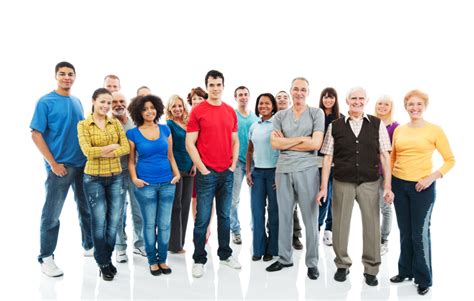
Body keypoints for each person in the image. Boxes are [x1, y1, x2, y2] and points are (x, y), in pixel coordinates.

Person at [316, 86, 394, 286]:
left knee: (371, 225)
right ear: (347, 100)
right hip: (342, 181)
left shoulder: (377, 125)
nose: (357, 102)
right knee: (340, 226)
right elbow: (327, 158)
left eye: (361, 98)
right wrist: (324, 187)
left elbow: (385, 156)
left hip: (369, 182)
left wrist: (387, 186)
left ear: (366, 100)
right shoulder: (336, 125)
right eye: (353, 98)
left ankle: (371, 268)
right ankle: (342, 265)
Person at [30, 61, 94, 277]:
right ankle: (46, 257)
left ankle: (89, 246)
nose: (67, 77)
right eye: (62, 74)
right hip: (61, 168)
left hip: (82, 164)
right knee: (52, 214)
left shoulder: (77, 102)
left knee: (86, 208)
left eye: (70, 74)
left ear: (75, 77)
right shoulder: (45, 101)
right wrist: (53, 164)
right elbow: (36, 134)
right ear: (56, 76)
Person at [389, 90, 455, 296]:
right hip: (400, 185)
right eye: (411, 104)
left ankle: (424, 278)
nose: (414, 108)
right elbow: (392, 158)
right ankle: (405, 271)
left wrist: (430, 178)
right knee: (405, 232)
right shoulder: (399, 130)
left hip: (422, 189)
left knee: (419, 234)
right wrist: (389, 185)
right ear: (405, 106)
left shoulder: (434, 130)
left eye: (418, 104)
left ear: (424, 106)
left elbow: (450, 160)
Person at [266, 77, 324, 281]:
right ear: (290, 91)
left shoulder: (316, 113)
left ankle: (312, 262)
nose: (299, 93)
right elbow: (274, 143)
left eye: (303, 89)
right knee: (284, 216)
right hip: (283, 170)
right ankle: (284, 258)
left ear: (308, 92)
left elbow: (316, 144)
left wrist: (286, 142)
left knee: (310, 218)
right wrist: (302, 139)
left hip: (308, 170)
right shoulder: (281, 115)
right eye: (296, 89)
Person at [186, 70, 241, 278]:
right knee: (202, 218)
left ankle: (225, 255)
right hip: (206, 174)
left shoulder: (229, 111)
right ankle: (199, 259)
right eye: (211, 85)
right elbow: (190, 143)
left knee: (225, 216)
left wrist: (233, 165)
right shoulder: (198, 111)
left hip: (227, 173)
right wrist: (202, 169)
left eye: (219, 84)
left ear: (223, 86)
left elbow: (235, 141)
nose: (215, 88)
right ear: (206, 86)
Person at [77, 88, 130, 281]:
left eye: (109, 103)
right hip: (93, 179)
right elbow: (87, 152)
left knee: (114, 221)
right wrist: (111, 147)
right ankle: (104, 262)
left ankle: (104, 259)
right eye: (103, 102)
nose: (106, 106)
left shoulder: (115, 123)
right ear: (93, 101)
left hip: (116, 176)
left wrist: (105, 150)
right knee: (99, 222)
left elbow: (125, 148)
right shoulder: (83, 125)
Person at [127, 94, 181, 276]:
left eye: (152, 108)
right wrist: (135, 179)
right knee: (149, 224)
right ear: (138, 112)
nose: (149, 111)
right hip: (146, 184)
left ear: (157, 109)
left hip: (167, 183)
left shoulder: (165, 130)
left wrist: (177, 174)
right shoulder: (133, 133)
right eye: (144, 109)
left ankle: (163, 260)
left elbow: (170, 156)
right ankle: (152, 261)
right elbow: (132, 161)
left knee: (164, 224)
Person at [110, 92, 146, 263]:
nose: (118, 104)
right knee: (117, 212)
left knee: (138, 209)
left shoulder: (134, 121)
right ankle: (120, 247)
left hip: (135, 172)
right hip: (115, 173)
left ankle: (139, 244)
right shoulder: (107, 124)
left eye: (121, 101)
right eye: (114, 101)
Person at [246, 93, 279, 262]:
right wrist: (247, 171)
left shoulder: (277, 124)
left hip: (274, 173)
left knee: (274, 212)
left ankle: (272, 249)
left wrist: (280, 176)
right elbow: (250, 150)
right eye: (260, 103)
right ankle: (258, 248)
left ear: (273, 106)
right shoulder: (254, 126)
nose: (263, 106)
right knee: (257, 212)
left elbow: (283, 151)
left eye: (267, 103)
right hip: (257, 173)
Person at [166, 95, 195, 254]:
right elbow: (168, 150)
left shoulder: (188, 124)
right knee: (176, 206)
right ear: (169, 109)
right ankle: (173, 245)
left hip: (189, 168)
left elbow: (193, 146)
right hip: (175, 169)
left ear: (184, 107)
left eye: (180, 106)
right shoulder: (169, 125)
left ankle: (180, 244)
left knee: (185, 205)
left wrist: (195, 165)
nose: (177, 109)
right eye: (174, 106)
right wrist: (173, 169)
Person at [230, 86, 259, 245]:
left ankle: (256, 229)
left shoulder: (255, 117)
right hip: (236, 162)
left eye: (245, 94)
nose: (243, 97)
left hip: (254, 163)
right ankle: (235, 230)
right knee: (234, 200)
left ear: (249, 97)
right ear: (235, 97)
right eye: (240, 95)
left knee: (255, 199)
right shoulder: (232, 115)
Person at [317, 87, 344, 247]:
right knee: (323, 197)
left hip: (337, 164)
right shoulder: (316, 115)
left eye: (331, 97)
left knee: (335, 198)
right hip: (319, 163)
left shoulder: (341, 118)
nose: (328, 100)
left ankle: (329, 230)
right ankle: (317, 227)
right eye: (325, 97)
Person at [276, 90, 303, 251]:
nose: (282, 99)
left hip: (293, 164)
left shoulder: (294, 117)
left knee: (293, 204)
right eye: (278, 97)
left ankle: (295, 236)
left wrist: (286, 142)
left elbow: (299, 141)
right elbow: (275, 143)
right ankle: (277, 238)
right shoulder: (273, 120)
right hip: (274, 166)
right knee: (275, 205)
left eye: (285, 97)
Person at [186, 87, 213, 243]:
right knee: (195, 198)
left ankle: (208, 227)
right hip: (193, 164)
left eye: (200, 98)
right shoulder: (187, 117)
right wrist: (195, 164)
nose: (197, 101)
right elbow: (189, 144)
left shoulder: (209, 115)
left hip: (209, 162)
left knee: (209, 198)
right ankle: (198, 227)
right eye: (194, 98)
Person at [374, 95, 399, 256]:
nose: (382, 107)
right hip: (370, 172)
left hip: (386, 173)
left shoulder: (395, 127)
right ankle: (374, 239)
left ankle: (384, 240)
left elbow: (394, 152)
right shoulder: (371, 123)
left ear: (391, 107)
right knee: (372, 207)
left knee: (385, 207)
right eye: (380, 104)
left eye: (386, 104)